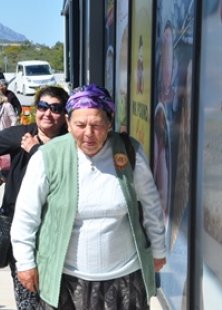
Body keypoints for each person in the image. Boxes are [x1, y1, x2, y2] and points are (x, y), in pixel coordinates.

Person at [11, 85, 166, 309]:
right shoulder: (48, 157)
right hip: (66, 279)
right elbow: (26, 215)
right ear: (67, 121)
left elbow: (151, 205)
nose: (88, 133)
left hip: (125, 278)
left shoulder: (128, 151)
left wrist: (159, 250)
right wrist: (25, 263)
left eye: (97, 125)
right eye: (80, 125)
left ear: (110, 122)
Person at [0, 86, 69, 309]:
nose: (47, 113)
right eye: (43, 107)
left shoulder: (69, 142)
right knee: (27, 297)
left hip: (58, 231)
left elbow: (60, 177)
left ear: (65, 115)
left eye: (55, 108)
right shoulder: (22, 134)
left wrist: (36, 151)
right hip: (22, 229)